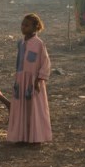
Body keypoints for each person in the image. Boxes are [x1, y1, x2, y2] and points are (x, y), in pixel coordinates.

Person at [7, 14, 52, 146]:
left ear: (35, 27)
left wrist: (38, 80)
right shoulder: (20, 43)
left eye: (27, 25)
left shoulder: (39, 44)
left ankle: (34, 137)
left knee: (33, 108)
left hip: (33, 82)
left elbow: (45, 63)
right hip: (21, 79)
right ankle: (21, 136)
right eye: (22, 24)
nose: (23, 27)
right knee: (21, 107)